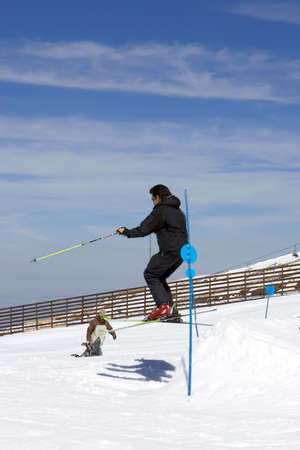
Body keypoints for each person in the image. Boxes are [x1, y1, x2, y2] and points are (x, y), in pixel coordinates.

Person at [117, 184, 188, 321]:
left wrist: (126, 232)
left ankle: (163, 308)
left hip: (169, 250)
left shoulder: (161, 210)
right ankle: (170, 310)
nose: (153, 202)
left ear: (158, 197)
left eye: (152, 199)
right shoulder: (178, 211)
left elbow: (144, 228)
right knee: (159, 276)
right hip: (183, 252)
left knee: (150, 274)